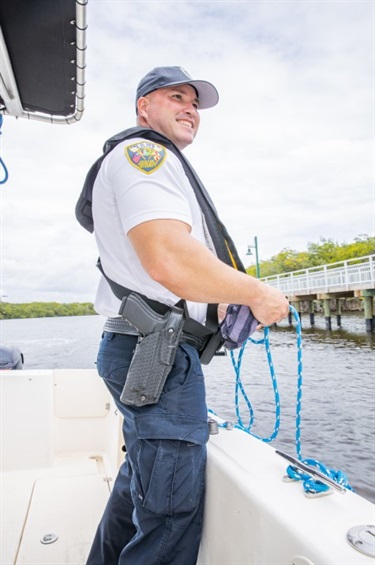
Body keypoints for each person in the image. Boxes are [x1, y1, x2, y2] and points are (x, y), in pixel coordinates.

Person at [82, 66, 289, 565]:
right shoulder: (144, 154)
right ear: (143, 108)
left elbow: (160, 268)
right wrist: (257, 292)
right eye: (176, 97)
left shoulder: (147, 164)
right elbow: (168, 258)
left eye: (195, 104)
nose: (190, 109)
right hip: (154, 354)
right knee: (170, 515)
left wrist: (216, 300)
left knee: (141, 484)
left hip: (143, 347)